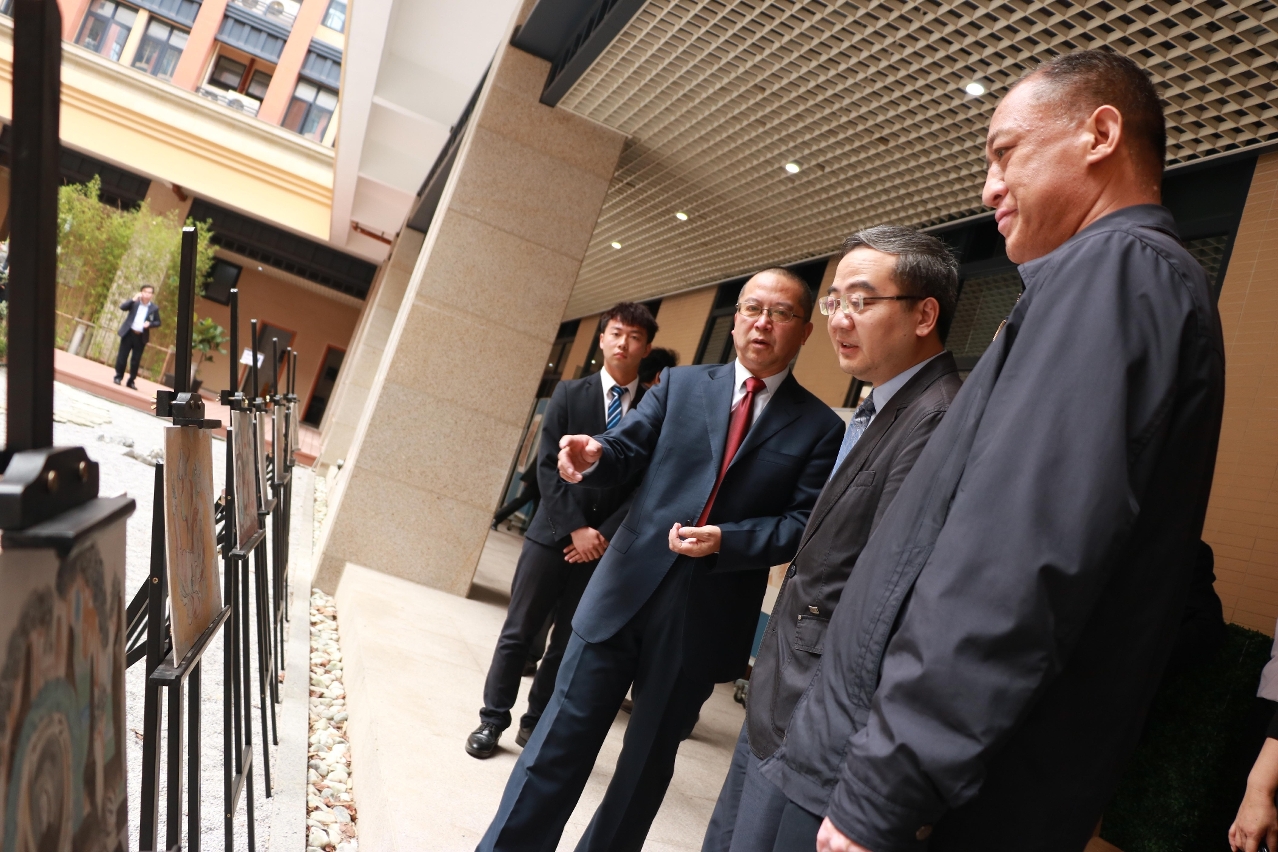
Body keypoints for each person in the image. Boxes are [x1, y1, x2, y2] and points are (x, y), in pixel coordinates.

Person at [761, 49, 1225, 852]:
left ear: (1099, 134)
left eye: (1005, 152)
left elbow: (1014, 557)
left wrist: (884, 788)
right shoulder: (1104, 280)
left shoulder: (1116, 273)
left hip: (930, 799)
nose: (989, 187)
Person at [477, 268, 844, 852]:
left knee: (643, 771)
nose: (762, 323)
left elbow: (801, 525)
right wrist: (595, 453)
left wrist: (728, 539)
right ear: (735, 321)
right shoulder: (680, 384)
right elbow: (627, 448)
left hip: (704, 615)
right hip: (621, 593)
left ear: (804, 331)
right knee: (556, 745)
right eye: (752, 309)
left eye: (781, 313)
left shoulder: (820, 427)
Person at [702, 226, 963, 852]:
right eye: (835, 301)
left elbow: (890, 592)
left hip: (820, 713)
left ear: (925, 315)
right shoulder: (882, 405)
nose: (840, 319)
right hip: (784, 690)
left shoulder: (936, 418)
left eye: (861, 301)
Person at [467, 302, 657, 758]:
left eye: (634, 336)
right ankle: (492, 720)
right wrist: (576, 529)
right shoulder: (570, 394)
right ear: (602, 338)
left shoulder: (652, 410)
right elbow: (547, 468)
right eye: (616, 333)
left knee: (568, 642)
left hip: (603, 547)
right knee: (519, 631)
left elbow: (646, 482)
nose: (623, 343)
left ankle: (535, 725)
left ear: (646, 347)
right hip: (551, 535)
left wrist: (602, 533)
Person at [114, 285, 161, 389]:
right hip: (128, 333)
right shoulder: (134, 303)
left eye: (149, 292)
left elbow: (158, 322)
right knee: (122, 356)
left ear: (152, 295)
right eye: (145, 292)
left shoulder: (154, 308)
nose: (147, 294)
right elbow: (122, 307)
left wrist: (150, 324)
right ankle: (118, 377)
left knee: (136, 360)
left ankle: (131, 381)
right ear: (141, 292)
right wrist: (133, 298)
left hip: (141, 337)